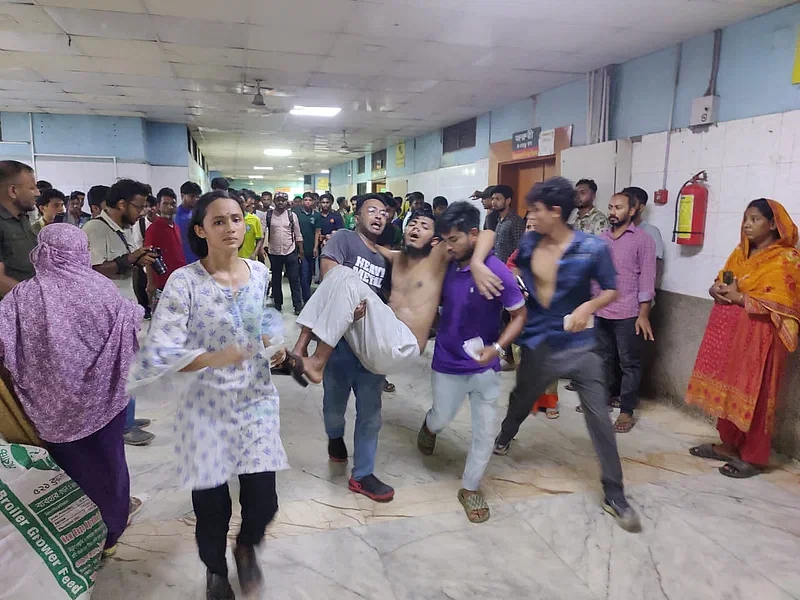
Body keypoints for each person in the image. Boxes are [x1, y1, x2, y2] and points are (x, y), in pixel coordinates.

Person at [127, 191, 288, 600]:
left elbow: (257, 321)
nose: (230, 227)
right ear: (201, 230)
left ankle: (247, 545)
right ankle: (215, 571)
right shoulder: (184, 283)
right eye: (219, 221)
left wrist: (273, 340)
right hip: (204, 407)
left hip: (255, 401)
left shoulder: (259, 272)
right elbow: (161, 352)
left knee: (263, 500)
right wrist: (217, 358)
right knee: (212, 505)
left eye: (236, 219)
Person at [474, 176, 640, 532]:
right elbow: (517, 267)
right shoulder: (531, 241)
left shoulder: (592, 248)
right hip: (539, 341)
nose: (530, 217)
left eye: (536, 210)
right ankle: (505, 435)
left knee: (599, 418)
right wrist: (512, 283)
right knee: (522, 398)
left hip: (582, 347)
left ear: (556, 211)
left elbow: (612, 289)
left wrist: (588, 307)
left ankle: (615, 494)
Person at [0, 224, 143, 557]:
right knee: (109, 464)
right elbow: (131, 339)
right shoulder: (102, 289)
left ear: (43, 252)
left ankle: (70, 533)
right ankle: (109, 534)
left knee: (69, 469)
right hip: (105, 402)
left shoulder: (22, 296)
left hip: (50, 408)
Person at [416, 202, 526, 523]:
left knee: (484, 430)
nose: (449, 246)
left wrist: (498, 348)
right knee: (442, 417)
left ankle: (470, 486)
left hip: (485, 365)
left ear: (472, 234)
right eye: (444, 240)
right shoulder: (445, 263)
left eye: (454, 239)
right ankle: (429, 425)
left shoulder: (497, 271)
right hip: (448, 362)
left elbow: (519, 315)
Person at [687, 199, 800, 479]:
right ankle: (728, 445)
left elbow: (787, 304)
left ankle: (753, 457)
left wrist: (740, 298)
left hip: (762, 339)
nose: (747, 225)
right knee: (729, 388)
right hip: (733, 335)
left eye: (755, 219)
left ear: (773, 224)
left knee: (758, 396)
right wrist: (717, 289)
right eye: (745, 219)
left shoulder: (786, 259)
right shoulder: (741, 253)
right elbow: (725, 280)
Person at [82, 179, 156, 447]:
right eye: (138, 206)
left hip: (123, 310)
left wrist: (136, 261)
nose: (141, 213)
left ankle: (128, 417)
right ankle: (121, 427)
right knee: (119, 371)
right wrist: (130, 260)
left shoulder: (121, 230)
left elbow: (121, 266)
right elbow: (92, 268)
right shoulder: (95, 229)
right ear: (122, 204)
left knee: (129, 367)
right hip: (105, 315)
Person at [593, 191, 656, 433]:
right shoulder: (600, 240)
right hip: (602, 311)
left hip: (628, 311)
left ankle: (627, 410)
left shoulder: (643, 240)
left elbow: (647, 280)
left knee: (629, 362)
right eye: (610, 207)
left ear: (632, 211)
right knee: (604, 359)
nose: (612, 212)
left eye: (618, 207)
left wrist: (643, 314)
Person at [506, 211, 560, 419]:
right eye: (528, 227)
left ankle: (549, 401)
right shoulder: (519, 254)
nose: (531, 231)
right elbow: (509, 271)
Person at [0, 160, 39, 298]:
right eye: (32, 188)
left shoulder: (22, 218)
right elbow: (0, 281)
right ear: (13, 191)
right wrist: (36, 299)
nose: (38, 193)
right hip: (12, 308)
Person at [144, 187, 186, 311]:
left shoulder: (175, 227)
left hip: (178, 282)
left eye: (173, 203)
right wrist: (151, 283)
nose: (170, 207)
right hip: (162, 285)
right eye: (165, 204)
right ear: (158, 206)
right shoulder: (153, 229)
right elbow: (148, 256)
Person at [266, 192, 304, 314]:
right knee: (276, 280)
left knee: (294, 279)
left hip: (290, 251)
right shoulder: (269, 215)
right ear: (274, 201)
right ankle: (278, 304)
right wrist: (262, 248)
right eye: (278, 200)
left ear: (287, 201)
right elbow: (263, 234)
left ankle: (297, 306)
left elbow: (298, 235)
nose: (280, 202)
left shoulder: (292, 215)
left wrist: (301, 251)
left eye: (283, 200)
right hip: (274, 252)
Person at [623, 186, 664, 280]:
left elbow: (656, 266)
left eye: (630, 204)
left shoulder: (650, 232)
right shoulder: (613, 230)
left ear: (641, 208)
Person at [294, 192, 321, 303]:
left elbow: (317, 232)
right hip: (298, 249)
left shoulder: (316, 215)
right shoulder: (296, 213)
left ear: (313, 202)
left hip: (311, 248)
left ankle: (306, 292)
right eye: (305, 200)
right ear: (302, 201)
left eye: (310, 200)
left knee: (309, 273)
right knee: (303, 273)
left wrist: (315, 247)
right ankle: (306, 298)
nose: (308, 202)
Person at [177, 181, 202, 264]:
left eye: (197, 197)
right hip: (184, 260)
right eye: (192, 196)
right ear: (182, 196)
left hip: (198, 257)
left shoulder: (196, 213)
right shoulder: (176, 216)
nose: (195, 199)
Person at [239, 195, 264, 262]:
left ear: (246, 204)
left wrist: (254, 253)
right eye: (237, 202)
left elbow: (259, 239)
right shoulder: (229, 220)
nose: (239, 204)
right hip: (233, 258)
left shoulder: (254, 219)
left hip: (249, 258)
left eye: (241, 202)